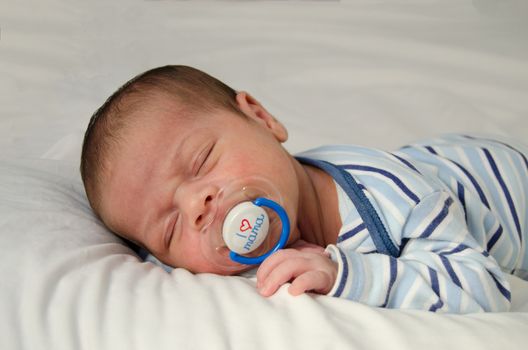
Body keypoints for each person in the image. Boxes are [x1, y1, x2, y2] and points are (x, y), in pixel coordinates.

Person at [80, 65, 527, 313]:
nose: (197, 206)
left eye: (200, 162)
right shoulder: (224, 267)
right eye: (171, 227)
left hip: (502, 180)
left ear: (261, 118)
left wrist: (352, 276)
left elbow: (482, 286)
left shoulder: (392, 198)